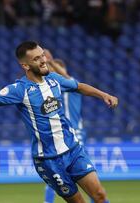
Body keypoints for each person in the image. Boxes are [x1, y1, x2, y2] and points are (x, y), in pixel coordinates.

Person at [0, 41, 118, 203]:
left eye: (42, 56)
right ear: (25, 66)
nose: (43, 60)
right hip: (48, 160)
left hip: (73, 150)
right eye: (36, 59)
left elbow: (79, 86)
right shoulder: (19, 89)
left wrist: (104, 95)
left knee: (99, 195)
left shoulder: (54, 79)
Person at [43, 49, 87, 203]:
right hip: (60, 133)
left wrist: (49, 61)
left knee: (83, 170)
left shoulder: (72, 84)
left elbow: (66, 76)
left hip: (76, 131)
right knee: (56, 171)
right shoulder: (53, 88)